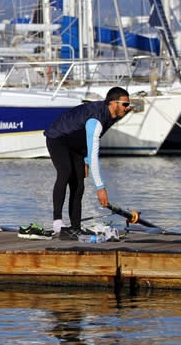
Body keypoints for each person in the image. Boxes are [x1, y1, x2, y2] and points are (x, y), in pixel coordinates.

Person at [44, 86, 132, 239]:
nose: (128, 107)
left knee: (78, 183)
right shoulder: (96, 120)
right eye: (125, 104)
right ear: (113, 103)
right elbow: (94, 155)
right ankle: (57, 222)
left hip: (76, 145)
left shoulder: (112, 115)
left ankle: (76, 227)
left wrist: (83, 159)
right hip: (58, 138)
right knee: (65, 172)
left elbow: (87, 141)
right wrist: (100, 187)